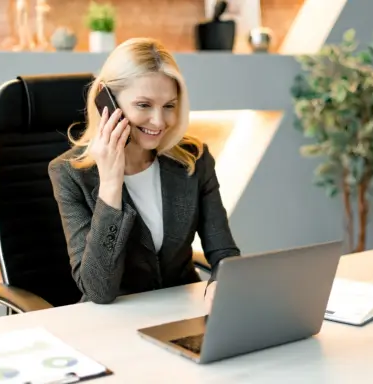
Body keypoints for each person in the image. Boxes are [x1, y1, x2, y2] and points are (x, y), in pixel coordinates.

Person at [48, 37, 240, 310]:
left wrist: (223, 282)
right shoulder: (70, 174)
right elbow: (99, 290)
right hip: (115, 322)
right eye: (144, 105)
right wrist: (111, 184)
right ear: (107, 101)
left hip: (181, 310)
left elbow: (224, 253)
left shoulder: (194, 160)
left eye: (169, 106)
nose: (159, 121)